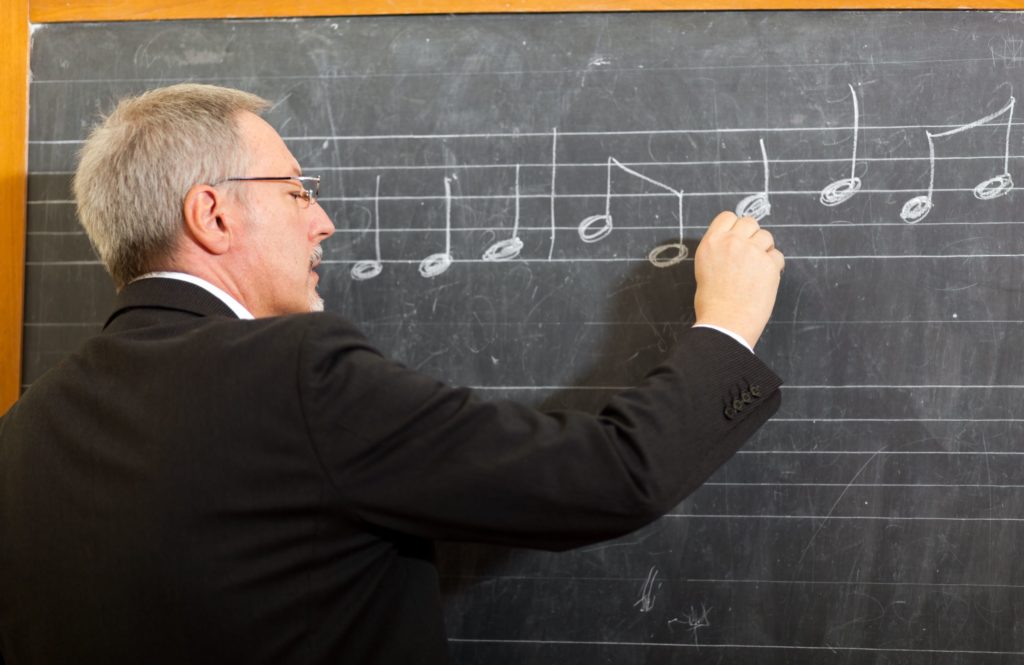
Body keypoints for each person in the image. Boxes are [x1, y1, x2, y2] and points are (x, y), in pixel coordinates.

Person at [0, 84, 785, 664]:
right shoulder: (295, 375)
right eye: (297, 190)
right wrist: (727, 327)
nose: (323, 220)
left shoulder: (24, 431)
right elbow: (611, 476)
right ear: (212, 214)